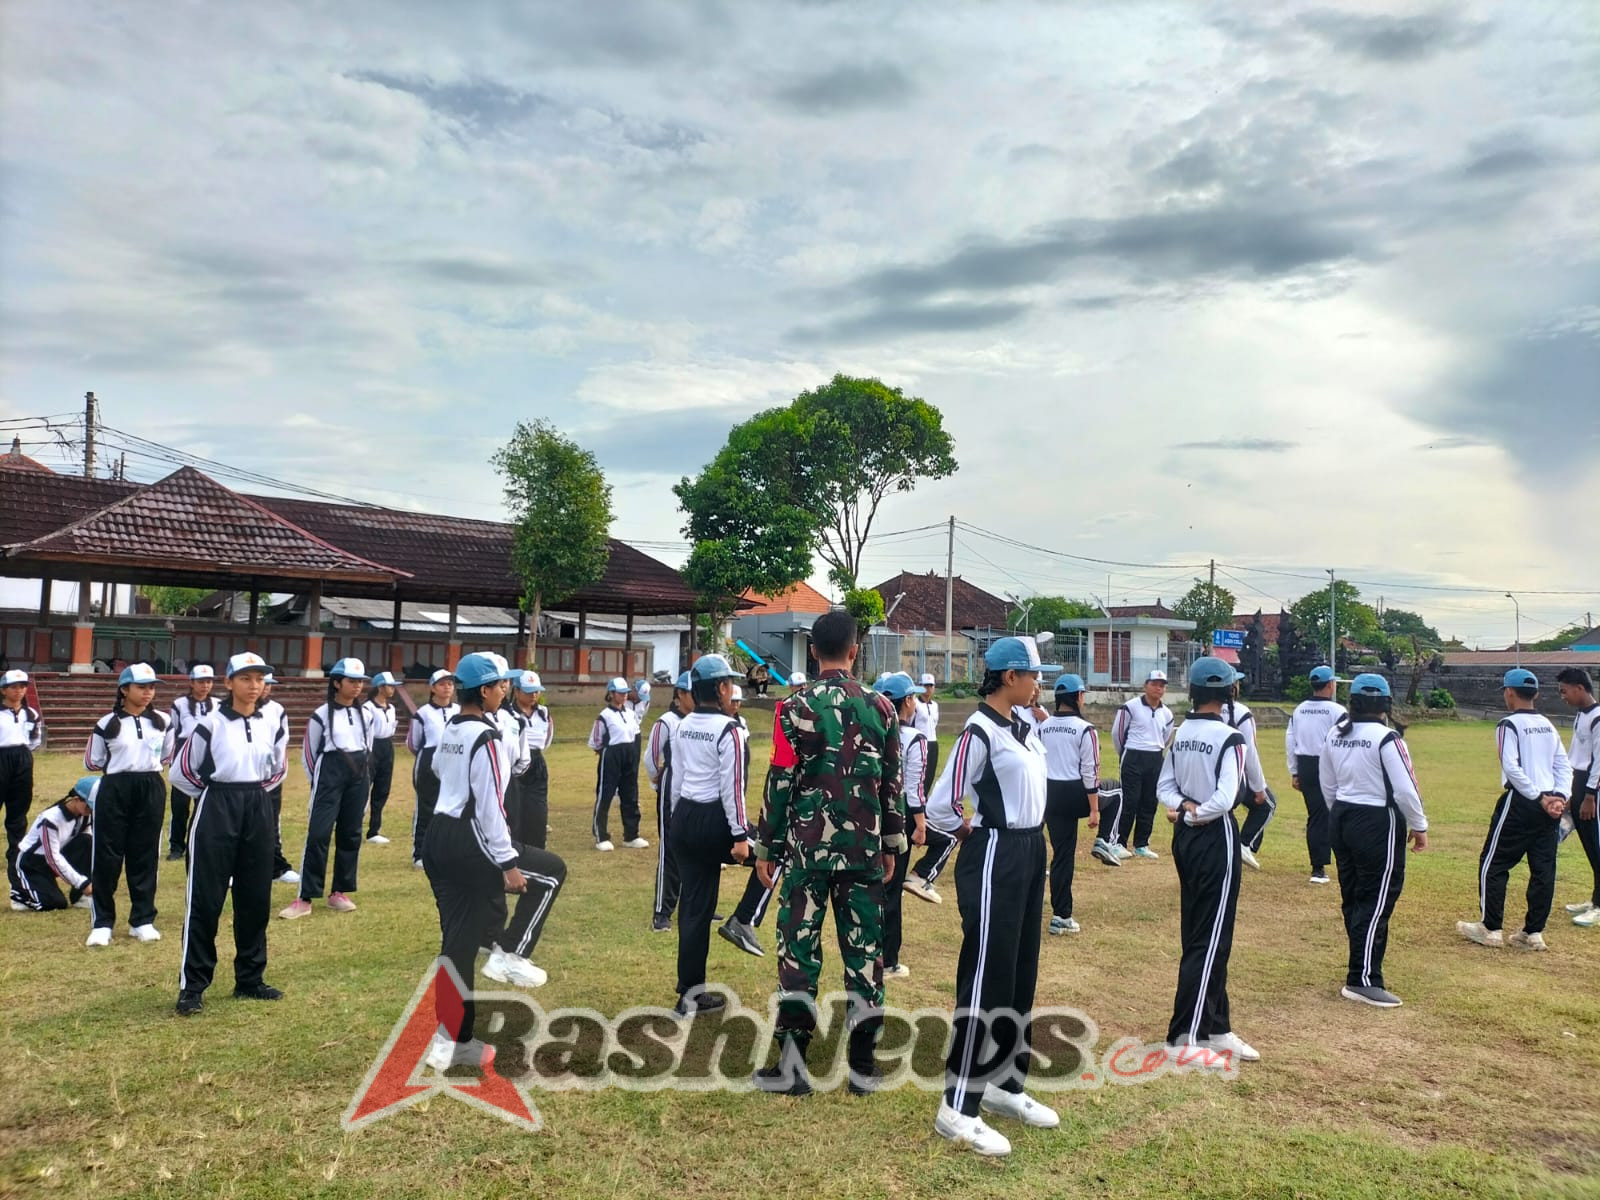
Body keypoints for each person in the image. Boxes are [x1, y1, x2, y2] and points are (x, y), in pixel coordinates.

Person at [751, 609, 904, 1098]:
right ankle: (862, 1066)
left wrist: (766, 845)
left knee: (797, 952)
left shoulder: (791, 708)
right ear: (855, 651)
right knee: (865, 954)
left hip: (805, 853)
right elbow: (892, 784)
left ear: (813, 652)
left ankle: (793, 1068)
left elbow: (779, 781)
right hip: (863, 852)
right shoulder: (882, 708)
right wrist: (892, 843)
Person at [924, 636, 1062, 1156]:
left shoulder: (1024, 727)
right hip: (995, 854)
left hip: (1030, 852)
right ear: (1010, 677)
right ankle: (957, 1107)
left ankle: (1006, 1085)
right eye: (1033, 675)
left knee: (1020, 971)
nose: (1039, 683)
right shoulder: (979, 730)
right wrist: (969, 831)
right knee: (986, 976)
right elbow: (941, 804)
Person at [422, 652, 567, 1068]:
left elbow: (434, 768)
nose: (506, 691)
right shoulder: (487, 737)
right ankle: (509, 953)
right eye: (501, 685)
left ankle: (452, 1039)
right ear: (484, 691)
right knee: (552, 872)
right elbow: (490, 807)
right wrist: (507, 863)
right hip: (471, 839)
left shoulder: (452, 726)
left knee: (458, 941)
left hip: (439, 836)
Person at [172, 652, 289, 1015]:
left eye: (259, 679)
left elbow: (278, 767)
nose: (254, 686)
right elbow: (182, 773)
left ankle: (250, 978)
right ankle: (193, 986)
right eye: (245, 678)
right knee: (206, 900)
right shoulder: (210, 724)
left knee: (255, 896)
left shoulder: (272, 721)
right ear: (228, 683)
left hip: (258, 803)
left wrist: (253, 793)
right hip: (217, 805)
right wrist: (217, 795)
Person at [1158, 656, 1259, 1064]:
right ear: (1228, 692)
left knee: (1203, 933)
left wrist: (1182, 808)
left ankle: (1217, 1025)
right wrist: (1192, 812)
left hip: (1185, 838)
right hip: (1214, 836)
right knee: (1210, 937)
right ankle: (1186, 1036)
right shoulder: (1232, 737)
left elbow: (1164, 785)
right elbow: (1227, 797)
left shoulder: (1181, 733)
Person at [1320, 674, 1428, 1007]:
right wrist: (1419, 824)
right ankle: (1363, 978)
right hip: (1377, 820)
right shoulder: (1388, 738)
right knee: (1377, 898)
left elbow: (1326, 783)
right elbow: (1405, 788)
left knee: (1353, 896)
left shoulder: (1335, 735)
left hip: (1342, 815)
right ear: (1385, 704)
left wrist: (1339, 811)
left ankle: (1360, 965)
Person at [1457, 668, 1572, 951]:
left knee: (1493, 863)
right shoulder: (1548, 723)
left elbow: (1511, 766)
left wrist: (1537, 796)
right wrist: (1558, 796)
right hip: (1550, 806)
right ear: (1536, 694)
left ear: (1509, 692)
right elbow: (1562, 765)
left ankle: (1491, 928)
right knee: (1543, 868)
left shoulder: (1508, 724)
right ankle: (1533, 933)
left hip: (1522, 802)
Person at [667, 655, 751, 1014]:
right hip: (713, 818)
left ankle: (689, 993)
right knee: (775, 856)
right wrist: (740, 835)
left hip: (684, 816)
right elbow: (732, 787)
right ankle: (745, 919)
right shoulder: (729, 729)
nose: (733, 688)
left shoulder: (683, 725)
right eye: (730, 683)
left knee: (693, 908)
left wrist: (675, 822)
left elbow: (677, 777)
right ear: (720, 688)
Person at [83, 663, 169, 947]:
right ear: (124, 690)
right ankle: (102, 922)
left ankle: (142, 919)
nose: (148, 693)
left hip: (150, 786)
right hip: (115, 788)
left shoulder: (163, 721)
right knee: (107, 854)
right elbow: (93, 761)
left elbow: (167, 754)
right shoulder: (106, 723)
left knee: (144, 854)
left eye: (151, 687)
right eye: (141, 687)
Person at [281, 658, 372, 920]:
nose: (357, 687)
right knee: (319, 833)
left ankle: (339, 892)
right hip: (329, 772)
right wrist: (319, 782)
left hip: (358, 773)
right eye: (351, 681)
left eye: (360, 682)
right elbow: (310, 753)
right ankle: (305, 896)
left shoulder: (366, 714)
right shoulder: (321, 714)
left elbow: (369, 747)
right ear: (336, 683)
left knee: (351, 833)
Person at [1040, 673, 1103, 935]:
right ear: (1078, 697)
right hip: (1074, 792)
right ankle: (1109, 841)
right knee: (1119, 793)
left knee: (1062, 856)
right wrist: (1095, 808)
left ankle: (1061, 915)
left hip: (1048, 794)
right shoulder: (1085, 729)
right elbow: (1091, 771)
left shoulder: (1042, 726)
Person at [878, 673, 926, 979]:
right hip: (901, 814)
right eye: (914, 697)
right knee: (892, 887)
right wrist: (919, 824)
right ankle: (889, 959)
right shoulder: (914, 739)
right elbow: (915, 786)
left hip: (871, 811)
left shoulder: (871, 731)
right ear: (907, 700)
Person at [1286, 666, 1346, 885]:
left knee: (1316, 815)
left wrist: (1294, 770)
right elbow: (1343, 742)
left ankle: (1320, 865)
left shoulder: (1300, 710)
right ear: (1330, 685)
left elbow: (1290, 739)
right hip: (1329, 765)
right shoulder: (1337, 711)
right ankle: (1320, 868)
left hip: (1306, 765)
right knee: (1333, 815)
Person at [1111, 669, 1175, 860]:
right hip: (1133, 755)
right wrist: (1125, 753)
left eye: (1162, 685)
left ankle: (1141, 843)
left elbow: (1166, 737)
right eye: (1154, 684)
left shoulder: (1167, 713)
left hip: (1155, 758)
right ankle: (1118, 843)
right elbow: (1118, 733)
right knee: (1130, 800)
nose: (1158, 688)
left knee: (1149, 802)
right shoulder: (1130, 707)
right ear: (1145, 685)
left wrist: (1156, 751)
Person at [646, 672, 691, 932]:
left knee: (696, 850)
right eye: (691, 693)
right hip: (671, 788)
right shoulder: (666, 722)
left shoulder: (699, 721)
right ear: (679, 695)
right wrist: (657, 783)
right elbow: (651, 757)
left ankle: (695, 904)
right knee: (670, 852)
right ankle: (662, 912)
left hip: (693, 790)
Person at [1556, 668, 1600, 927]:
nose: (1563, 696)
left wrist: (1590, 796)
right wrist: (1571, 791)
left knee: (1597, 846)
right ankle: (1596, 898)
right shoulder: (1581, 716)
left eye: (1564, 690)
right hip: (1578, 782)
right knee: (1588, 845)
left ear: (1580, 688)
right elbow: (1575, 755)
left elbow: (1599, 761)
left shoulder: (1597, 718)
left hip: (1591, 787)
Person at [13, 777, 94, 912]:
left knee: (87, 841)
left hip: (56, 856)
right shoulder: (50, 820)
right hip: (32, 863)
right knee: (55, 903)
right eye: (89, 805)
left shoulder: (86, 815)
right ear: (76, 799)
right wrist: (83, 883)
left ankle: (79, 897)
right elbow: (52, 858)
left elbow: (88, 846)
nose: (92, 809)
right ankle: (19, 892)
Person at [161, 664, 216, 862]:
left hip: (208, 752)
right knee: (180, 803)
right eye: (201, 682)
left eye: (209, 682)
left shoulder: (218, 704)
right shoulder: (179, 704)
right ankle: (176, 845)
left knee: (205, 801)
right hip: (184, 749)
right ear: (191, 683)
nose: (205, 686)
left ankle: (200, 842)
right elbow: (174, 730)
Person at [1, 668, 44, 908]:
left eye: (23, 686)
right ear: (3, 690)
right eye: (14, 686)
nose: (19, 690)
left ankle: (17, 882)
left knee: (17, 823)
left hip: (22, 761)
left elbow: (34, 741)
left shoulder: (31, 713)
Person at [589, 677, 647, 851]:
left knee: (630, 794)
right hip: (612, 755)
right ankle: (601, 835)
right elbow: (596, 742)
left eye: (625, 693)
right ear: (611, 694)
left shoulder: (630, 714)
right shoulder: (604, 716)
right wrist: (607, 754)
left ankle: (631, 835)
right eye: (620, 693)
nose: (623, 696)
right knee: (605, 794)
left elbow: (636, 734)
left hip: (630, 755)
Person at [408, 670, 458, 869]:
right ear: (433, 688)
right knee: (426, 807)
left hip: (453, 761)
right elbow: (413, 742)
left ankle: (446, 851)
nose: (447, 687)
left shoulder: (459, 711)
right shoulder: (423, 713)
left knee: (451, 808)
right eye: (442, 684)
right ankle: (420, 852)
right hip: (428, 761)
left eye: (450, 684)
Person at [1223, 687, 1272, 872]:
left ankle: (1241, 846)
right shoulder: (1242, 712)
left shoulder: (1198, 712)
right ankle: (1243, 845)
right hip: (1235, 773)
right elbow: (1249, 752)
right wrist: (1259, 786)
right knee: (1267, 805)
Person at [259, 674, 297, 885]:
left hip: (270, 779)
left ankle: (277, 867)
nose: (264, 689)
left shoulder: (277, 710)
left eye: (267, 685)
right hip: (240, 781)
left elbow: (281, 745)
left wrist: (274, 776)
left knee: (272, 823)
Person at [509, 671, 553, 849]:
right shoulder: (508, 713)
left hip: (536, 763)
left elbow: (548, 738)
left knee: (537, 812)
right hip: (515, 763)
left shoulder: (543, 713)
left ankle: (537, 852)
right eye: (528, 691)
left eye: (536, 691)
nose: (533, 695)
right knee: (515, 811)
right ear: (517, 691)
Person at [363, 671, 403, 845]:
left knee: (382, 788)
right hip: (372, 747)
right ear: (380, 687)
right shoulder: (367, 708)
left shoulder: (392, 708)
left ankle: (374, 829)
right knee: (364, 788)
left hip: (387, 746)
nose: (393, 689)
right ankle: (354, 825)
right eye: (389, 686)